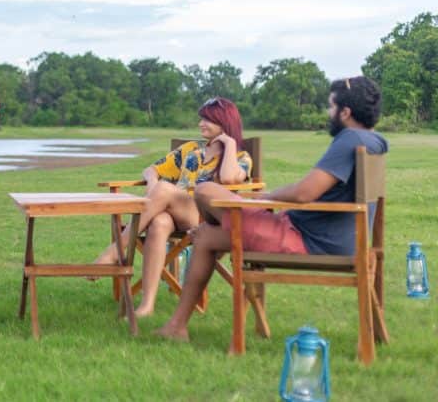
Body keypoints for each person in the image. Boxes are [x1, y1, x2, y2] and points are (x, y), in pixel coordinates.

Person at [156, 76, 387, 342]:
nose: (329, 113)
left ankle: (220, 226)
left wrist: (262, 199)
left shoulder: (348, 139)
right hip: (333, 238)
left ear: (346, 112)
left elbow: (304, 193)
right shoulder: (373, 141)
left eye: (332, 107)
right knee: (208, 236)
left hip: (307, 240)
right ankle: (176, 327)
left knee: (206, 191)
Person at [92, 97, 252, 316]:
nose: (201, 124)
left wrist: (230, 143)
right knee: (159, 222)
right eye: (201, 119)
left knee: (165, 189)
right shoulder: (190, 150)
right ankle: (147, 305)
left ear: (225, 123)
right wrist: (152, 184)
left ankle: (115, 250)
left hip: (206, 219)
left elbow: (228, 179)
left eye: (208, 120)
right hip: (173, 211)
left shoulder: (241, 157)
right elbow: (152, 169)